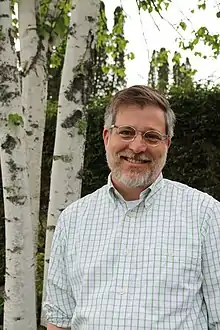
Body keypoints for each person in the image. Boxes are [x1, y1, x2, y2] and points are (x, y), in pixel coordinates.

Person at [44, 85, 220, 329]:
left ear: (167, 143)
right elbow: (59, 318)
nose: (137, 147)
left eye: (151, 136)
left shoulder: (206, 215)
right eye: (126, 132)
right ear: (107, 137)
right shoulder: (73, 219)